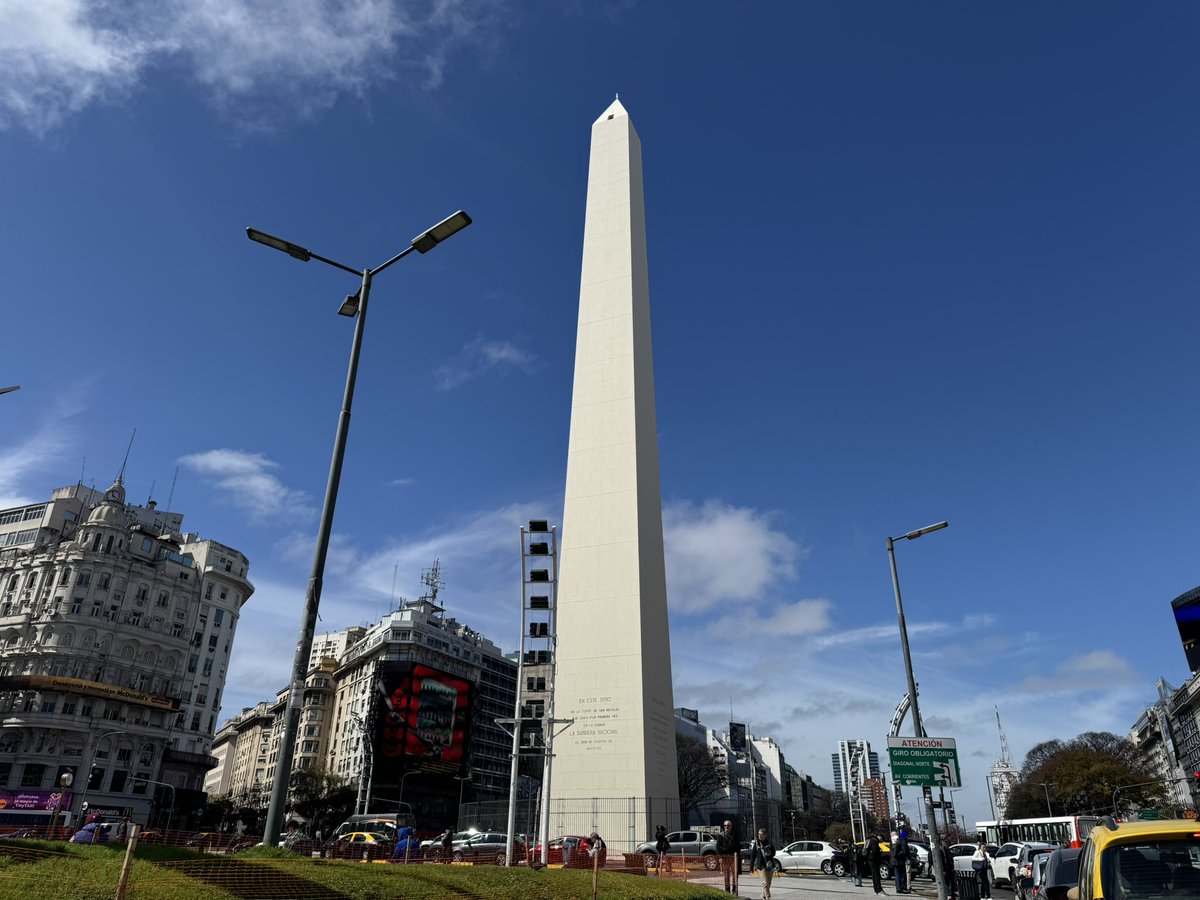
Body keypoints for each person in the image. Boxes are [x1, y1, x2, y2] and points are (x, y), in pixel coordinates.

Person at [750, 827, 777, 900]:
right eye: (759, 834)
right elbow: (753, 855)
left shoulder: (769, 842)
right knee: (764, 882)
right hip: (761, 865)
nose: (760, 836)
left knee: (768, 883)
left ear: (765, 835)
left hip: (769, 864)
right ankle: (767, 897)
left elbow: (774, 853)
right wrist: (751, 867)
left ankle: (763, 895)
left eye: (762, 834)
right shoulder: (757, 843)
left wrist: (769, 853)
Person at [715, 819, 740, 894]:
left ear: (731, 826)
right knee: (726, 875)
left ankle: (734, 890)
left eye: (728, 825)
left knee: (735, 875)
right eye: (725, 825)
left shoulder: (735, 835)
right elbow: (718, 847)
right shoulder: (720, 835)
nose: (726, 827)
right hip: (725, 858)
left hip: (734, 857)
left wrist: (738, 857)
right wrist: (719, 857)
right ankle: (727, 891)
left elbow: (738, 847)